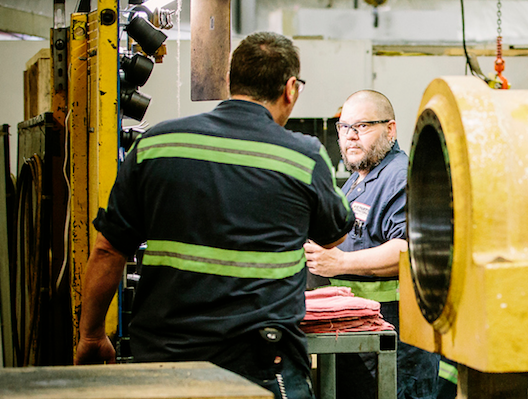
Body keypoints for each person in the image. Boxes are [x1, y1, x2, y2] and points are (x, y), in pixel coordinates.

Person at [75, 32, 355, 399]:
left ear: (229, 82)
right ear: (290, 89)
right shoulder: (302, 156)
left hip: (164, 362)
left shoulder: (157, 144)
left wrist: (92, 335)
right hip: (261, 365)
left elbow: (108, 251)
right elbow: (334, 235)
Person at [303, 91, 442, 399]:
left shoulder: (401, 178)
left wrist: (339, 263)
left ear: (390, 129)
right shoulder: (358, 178)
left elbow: (409, 251)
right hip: (361, 335)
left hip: (396, 342)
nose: (350, 137)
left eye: (363, 126)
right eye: (344, 127)